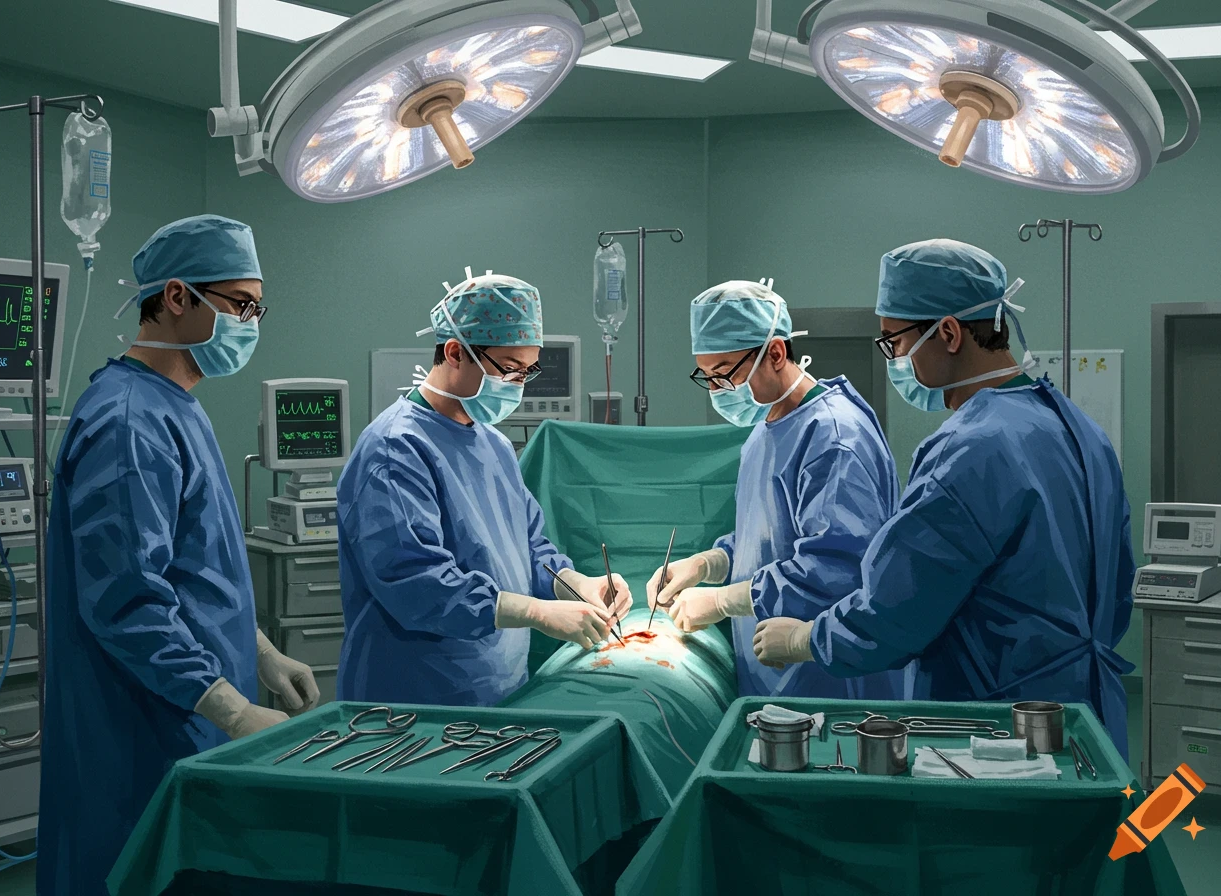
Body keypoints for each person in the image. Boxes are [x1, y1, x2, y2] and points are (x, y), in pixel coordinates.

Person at [753, 240, 1136, 757]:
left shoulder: (972, 448)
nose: (894, 358)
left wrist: (806, 639)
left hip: (995, 730)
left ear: (949, 333)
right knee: (1101, 838)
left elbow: (896, 611)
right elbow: (1116, 594)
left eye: (893, 342)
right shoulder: (1080, 429)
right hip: (1089, 719)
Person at [37, 215, 320, 896]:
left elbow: (197, 568)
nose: (253, 322)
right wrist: (229, 707)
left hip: (186, 713)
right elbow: (128, 602)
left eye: (259, 307)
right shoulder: (129, 422)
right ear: (175, 297)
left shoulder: (176, 406)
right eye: (240, 305)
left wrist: (256, 651)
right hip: (142, 731)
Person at [337, 270, 633, 706]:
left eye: (527, 371)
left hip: (499, 687)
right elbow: (418, 585)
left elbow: (529, 547)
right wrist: (536, 613)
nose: (517, 384)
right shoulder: (394, 449)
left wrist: (575, 584)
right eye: (510, 369)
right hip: (414, 697)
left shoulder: (493, 444)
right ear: (455, 352)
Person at [645, 280, 911, 700]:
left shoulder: (834, 438)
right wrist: (709, 563)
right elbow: (768, 537)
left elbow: (836, 567)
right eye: (707, 376)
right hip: (774, 677)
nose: (717, 391)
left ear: (775, 353)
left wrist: (720, 603)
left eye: (726, 372)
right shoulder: (766, 430)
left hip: (831, 680)